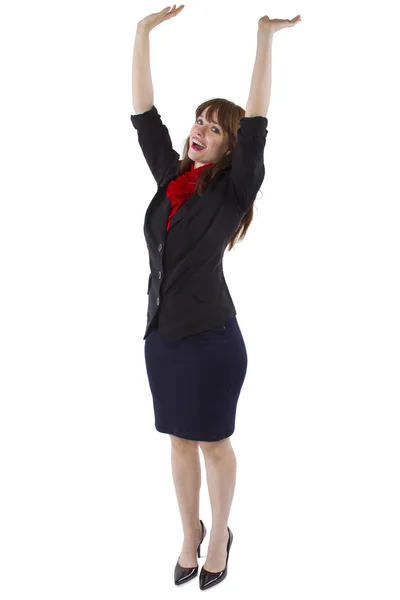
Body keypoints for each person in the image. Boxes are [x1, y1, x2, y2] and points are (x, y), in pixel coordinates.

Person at [130, 4, 301, 590]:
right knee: (178, 443)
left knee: (213, 444)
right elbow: (143, 114)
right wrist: (142, 32)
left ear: (230, 148)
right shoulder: (170, 180)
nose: (198, 128)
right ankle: (188, 533)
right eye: (198, 119)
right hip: (162, 339)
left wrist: (263, 40)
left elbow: (256, 118)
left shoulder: (234, 189)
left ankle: (222, 535)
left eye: (214, 126)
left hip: (211, 341)